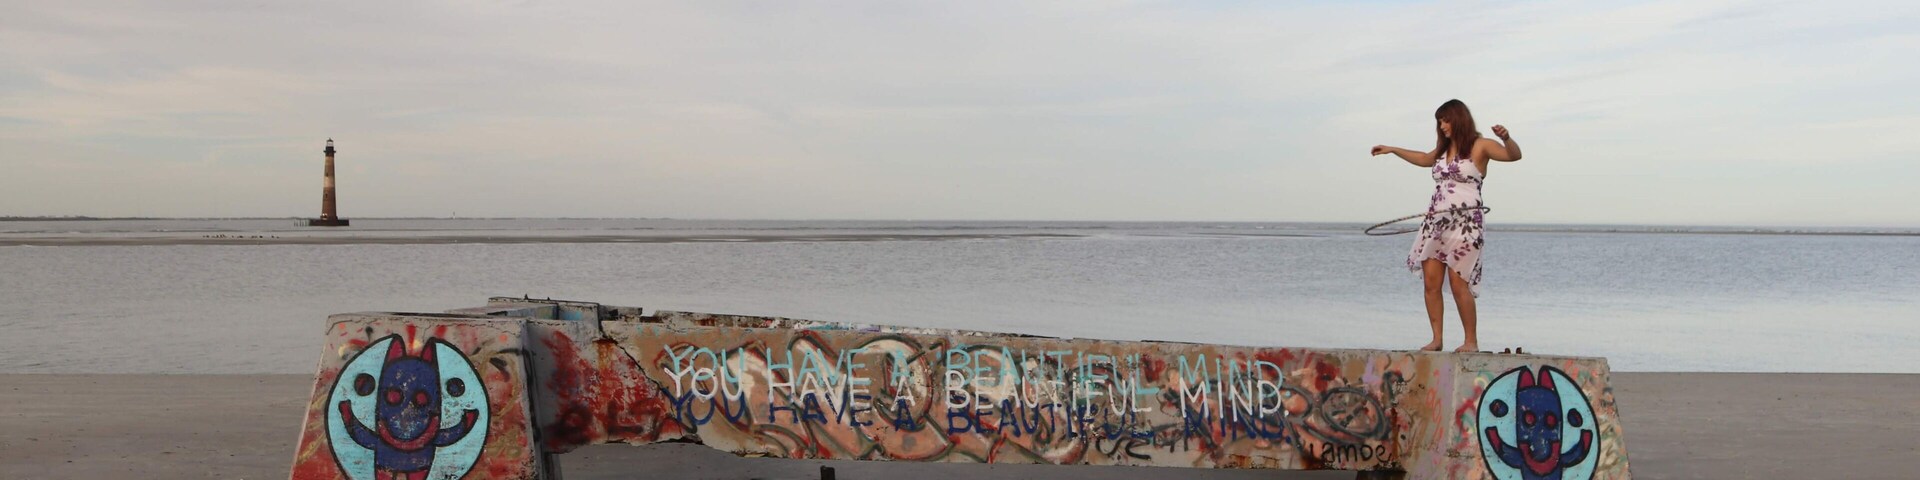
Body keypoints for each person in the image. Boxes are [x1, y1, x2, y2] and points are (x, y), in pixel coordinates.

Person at [1369, 99, 1522, 352]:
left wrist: (1507, 138)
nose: (1442, 126)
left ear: (1458, 119)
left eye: (1446, 120)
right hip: (1436, 223)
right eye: (1439, 122)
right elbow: (1423, 158)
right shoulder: (1443, 150)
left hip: (1466, 225)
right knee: (1431, 283)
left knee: (1459, 282)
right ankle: (1437, 339)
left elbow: (1513, 156)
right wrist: (1393, 149)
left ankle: (1470, 342)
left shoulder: (1480, 145)